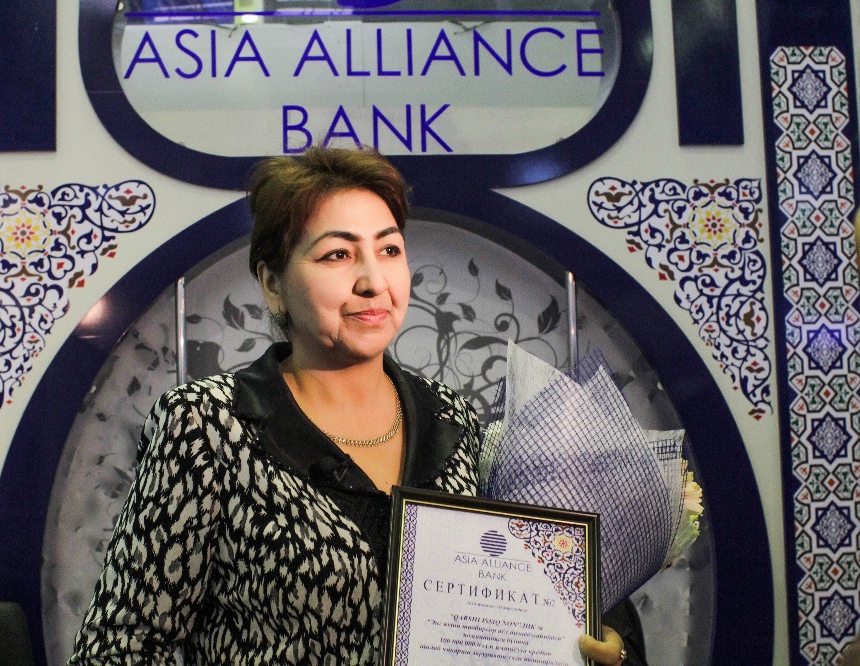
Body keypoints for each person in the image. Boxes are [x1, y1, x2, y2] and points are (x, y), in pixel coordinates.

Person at [70, 145, 633, 665]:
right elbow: (119, 647)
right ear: (272, 284)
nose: (372, 280)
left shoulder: (450, 418)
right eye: (337, 254)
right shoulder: (207, 425)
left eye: (389, 249)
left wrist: (581, 639)